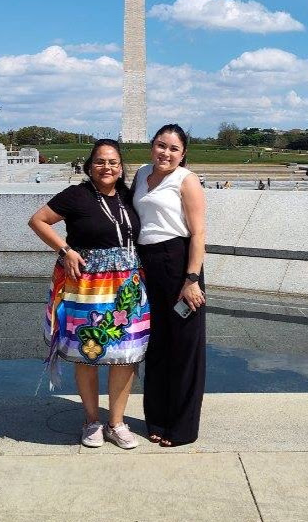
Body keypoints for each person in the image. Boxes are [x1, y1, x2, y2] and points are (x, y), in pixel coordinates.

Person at [28, 139, 149, 450]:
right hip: (87, 284)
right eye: (100, 161)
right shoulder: (76, 195)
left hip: (128, 287)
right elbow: (37, 221)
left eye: (113, 162)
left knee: (125, 357)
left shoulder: (127, 195)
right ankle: (92, 420)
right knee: (88, 352)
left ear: (121, 168)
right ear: (89, 165)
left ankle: (117, 423)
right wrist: (65, 250)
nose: (106, 167)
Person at [133, 124, 206, 447]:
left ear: (183, 153)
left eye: (174, 149)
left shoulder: (186, 180)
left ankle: (182, 427)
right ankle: (157, 419)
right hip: (147, 264)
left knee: (183, 348)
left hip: (178, 264)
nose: (166, 153)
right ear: (152, 146)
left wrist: (191, 279)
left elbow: (199, 233)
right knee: (157, 347)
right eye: (161, 146)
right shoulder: (141, 174)